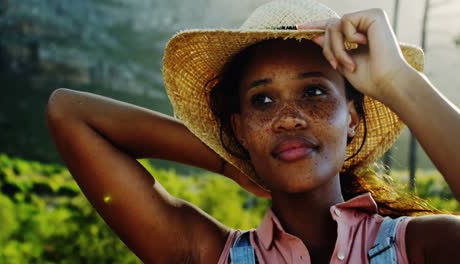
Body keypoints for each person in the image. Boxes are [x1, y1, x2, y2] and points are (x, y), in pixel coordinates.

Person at [45, 0, 460, 263]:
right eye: (263, 100)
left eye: (314, 92)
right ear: (239, 129)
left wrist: (397, 82)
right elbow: (69, 113)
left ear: (351, 118)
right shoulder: (211, 255)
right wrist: (229, 162)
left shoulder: (421, 246)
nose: (288, 118)